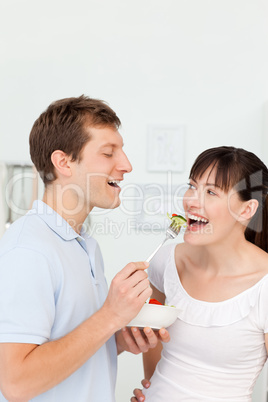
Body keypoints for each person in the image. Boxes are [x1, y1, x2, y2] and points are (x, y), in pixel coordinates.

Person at [0, 95, 170, 402]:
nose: (126, 165)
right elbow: (16, 383)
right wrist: (109, 317)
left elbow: (65, 342)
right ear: (64, 162)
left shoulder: (85, 246)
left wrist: (116, 338)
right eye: (108, 153)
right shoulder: (28, 251)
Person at [132, 146, 268, 402]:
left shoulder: (264, 285)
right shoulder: (166, 261)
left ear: (246, 210)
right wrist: (153, 390)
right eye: (192, 186)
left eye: (211, 192)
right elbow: (150, 333)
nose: (192, 200)